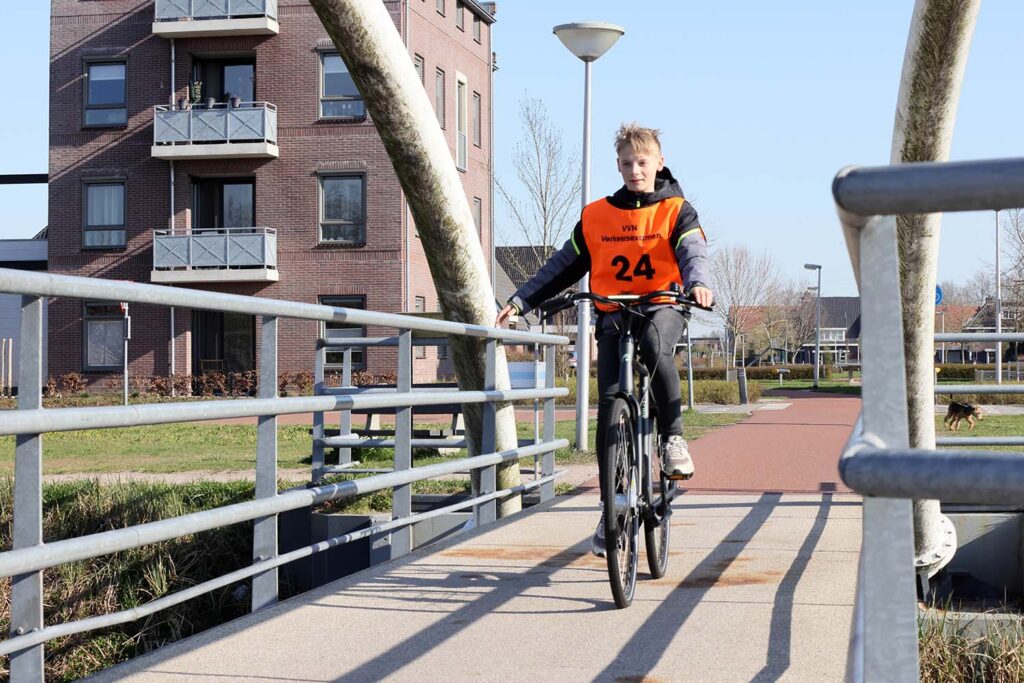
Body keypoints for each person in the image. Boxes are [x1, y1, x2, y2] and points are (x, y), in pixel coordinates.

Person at [495, 122, 714, 556]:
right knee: (610, 405)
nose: (636, 170)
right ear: (618, 166)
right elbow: (562, 265)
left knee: (655, 347)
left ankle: (672, 438)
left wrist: (699, 284)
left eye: (643, 162)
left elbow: (693, 251)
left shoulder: (676, 210)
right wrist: (520, 301)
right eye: (628, 163)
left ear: (659, 163)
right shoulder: (597, 215)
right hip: (613, 311)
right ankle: (611, 507)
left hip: (662, 305)